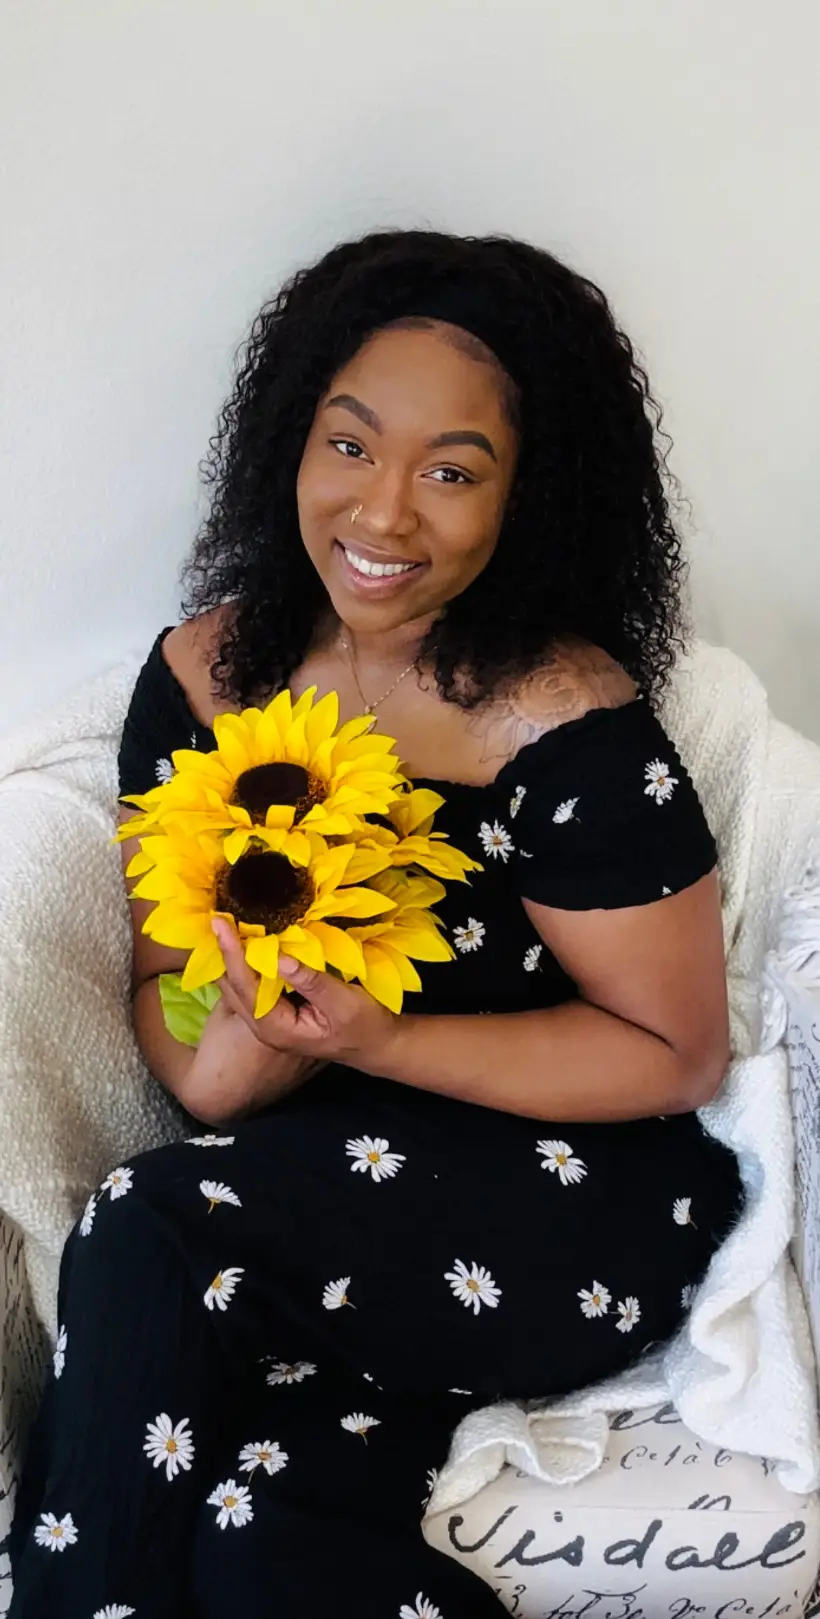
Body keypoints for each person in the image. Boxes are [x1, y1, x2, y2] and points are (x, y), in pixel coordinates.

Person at [11, 228, 743, 1618]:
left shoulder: (560, 716)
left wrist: (380, 1036)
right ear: (291, 441)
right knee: (256, 1536)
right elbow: (192, 1040)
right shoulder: (211, 677)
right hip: (312, 1197)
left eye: (453, 470)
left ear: (529, 498)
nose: (385, 511)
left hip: (569, 1197)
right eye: (350, 445)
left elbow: (673, 1051)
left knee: (147, 1221)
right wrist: (244, 1042)